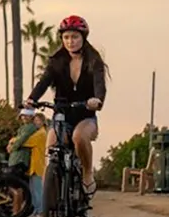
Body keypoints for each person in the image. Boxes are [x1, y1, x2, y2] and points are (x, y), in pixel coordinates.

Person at [24, 14, 108, 200]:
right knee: (51, 148)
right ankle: (49, 208)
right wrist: (31, 99)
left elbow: (100, 85)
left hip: (85, 115)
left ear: (83, 37)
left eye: (75, 37)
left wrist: (97, 100)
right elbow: (43, 82)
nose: (71, 41)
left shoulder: (94, 61)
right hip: (61, 115)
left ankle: (87, 173)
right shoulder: (56, 61)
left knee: (79, 137)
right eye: (67, 37)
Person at [6, 107, 38, 215]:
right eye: (23, 116)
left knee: (16, 186)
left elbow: (22, 139)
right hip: (15, 159)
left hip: (20, 160)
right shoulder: (23, 127)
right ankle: (17, 210)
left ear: (31, 117)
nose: (24, 117)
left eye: (27, 115)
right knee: (14, 185)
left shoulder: (29, 128)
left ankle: (16, 211)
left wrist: (12, 146)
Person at [23, 112, 48, 217]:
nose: (36, 122)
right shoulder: (40, 133)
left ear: (43, 122)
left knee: (38, 191)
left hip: (38, 166)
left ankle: (41, 212)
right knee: (33, 191)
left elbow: (27, 141)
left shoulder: (41, 134)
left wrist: (13, 141)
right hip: (34, 166)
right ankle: (35, 212)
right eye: (35, 120)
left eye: (38, 120)